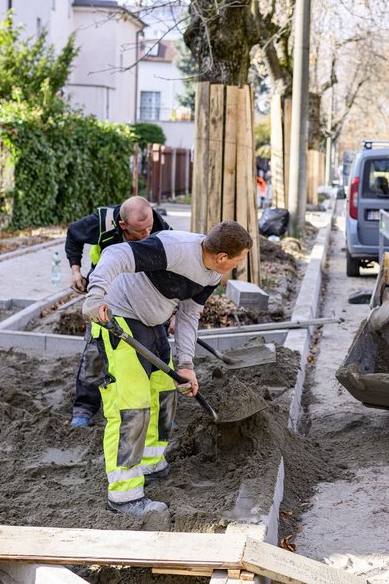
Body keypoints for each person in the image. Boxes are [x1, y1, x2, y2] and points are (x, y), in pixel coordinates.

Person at [81, 221, 253, 517]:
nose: (240, 265)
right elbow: (116, 254)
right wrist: (95, 295)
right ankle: (124, 494)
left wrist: (186, 364)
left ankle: (149, 463)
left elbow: (189, 315)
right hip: (119, 316)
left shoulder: (213, 273)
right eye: (239, 259)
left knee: (164, 393)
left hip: (152, 322)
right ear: (223, 257)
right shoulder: (173, 249)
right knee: (130, 408)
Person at [64, 196, 171, 427]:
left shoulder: (159, 227)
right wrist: (75, 271)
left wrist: (174, 311)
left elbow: (172, 264)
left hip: (144, 295)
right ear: (123, 225)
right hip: (107, 293)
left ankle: (160, 413)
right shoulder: (103, 222)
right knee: (95, 352)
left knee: (156, 351)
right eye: (140, 231)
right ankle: (84, 408)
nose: (147, 235)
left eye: (149, 228)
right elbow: (73, 234)